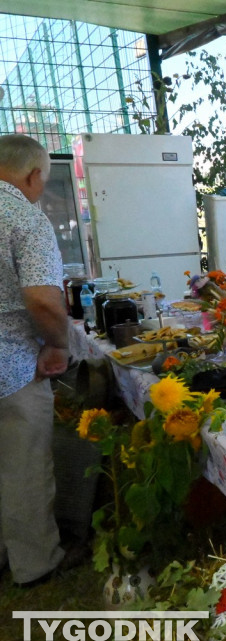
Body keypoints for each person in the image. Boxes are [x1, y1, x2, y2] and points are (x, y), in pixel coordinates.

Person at [0, 134, 68, 586]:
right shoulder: (23, 217)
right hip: (12, 368)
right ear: (33, 174)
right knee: (22, 468)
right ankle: (35, 564)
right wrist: (58, 344)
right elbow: (43, 301)